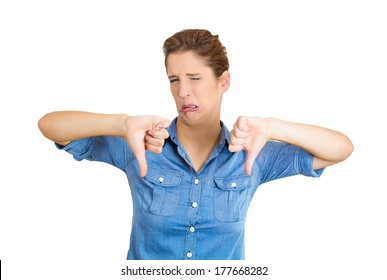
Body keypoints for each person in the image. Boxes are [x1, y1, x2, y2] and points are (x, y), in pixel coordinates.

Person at [38, 29, 354, 260]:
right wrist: (120, 123)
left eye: (195, 78)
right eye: (174, 80)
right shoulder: (142, 144)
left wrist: (273, 127)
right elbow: (51, 126)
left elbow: (340, 149)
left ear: (223, 82)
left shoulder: (251, 154)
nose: (183, 92)